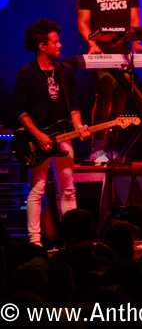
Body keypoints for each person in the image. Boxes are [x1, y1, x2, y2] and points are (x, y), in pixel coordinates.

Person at [13, 19, 90, 246]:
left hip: (64, 137)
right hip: (38, 142)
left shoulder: (65, 71)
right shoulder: (26, 73)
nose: (61, 45)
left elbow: (73, 105)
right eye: (55, 42)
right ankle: (35, 242)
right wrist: (39, 136)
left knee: (68, 190)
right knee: (37, 189)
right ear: (42, 46)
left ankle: (72, 242)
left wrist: (79, 127)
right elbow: (19, 110)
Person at [76, 0, 142, 164]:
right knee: (104, 96)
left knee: (121, 100)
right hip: (102, 51)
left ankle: (112, 146)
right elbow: (83, 21)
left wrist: (136, 43)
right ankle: (97, 149)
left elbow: (135, 18)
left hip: (123, 51)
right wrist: (92, 44)